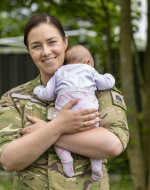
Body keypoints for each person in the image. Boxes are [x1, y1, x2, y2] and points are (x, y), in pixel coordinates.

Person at [0, 13, 129, 190]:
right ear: (29, 50)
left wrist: (46, 131)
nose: (46, 51)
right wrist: (57, 127)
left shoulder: (99, 90)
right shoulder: (15, 98)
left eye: (52, 42)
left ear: (65, 42)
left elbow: (113, 145)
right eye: (36, 46)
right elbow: (9, 160)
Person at [33, 44, 115, 180]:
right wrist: (109, 76)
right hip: (89, 116)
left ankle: (66, 161)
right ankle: (96, 167)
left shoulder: (59, 72)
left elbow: (47, 94)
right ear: (88, 62)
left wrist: (37, 90)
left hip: (64, 120)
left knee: (55, 131)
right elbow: (106, 83)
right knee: (94, 139)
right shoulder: (89, 70)